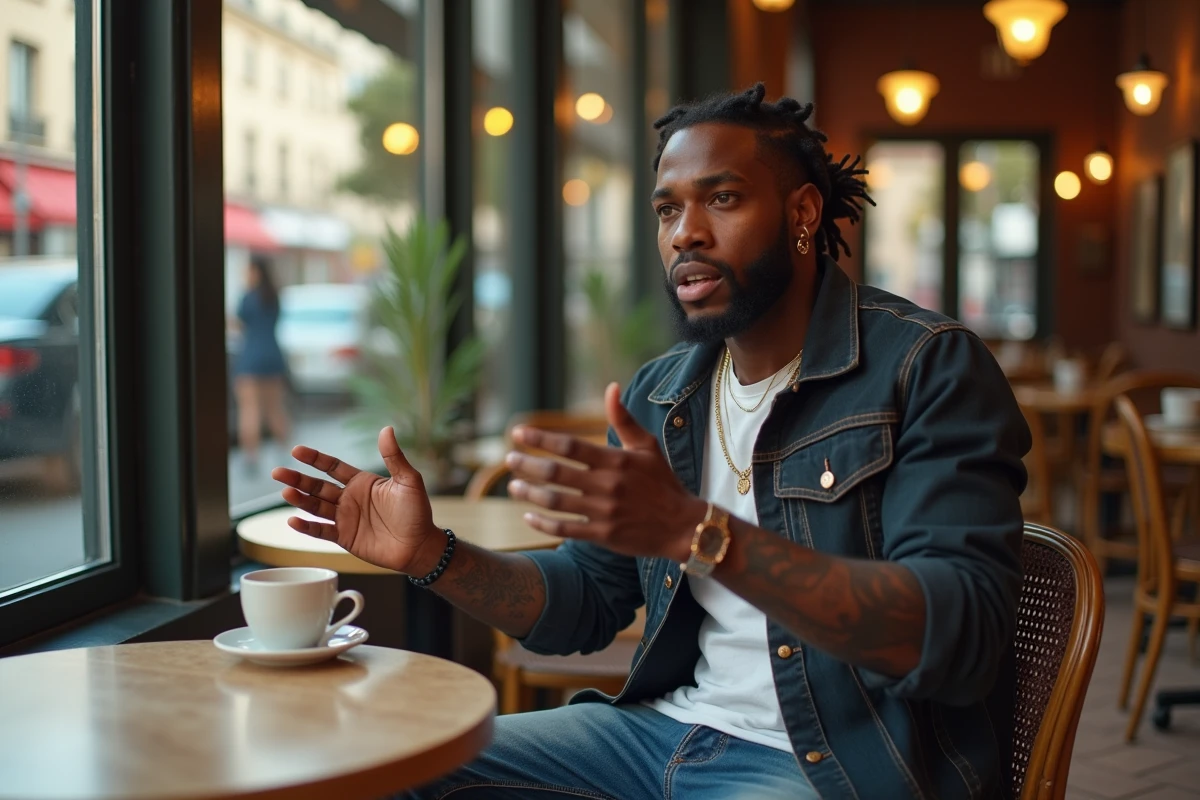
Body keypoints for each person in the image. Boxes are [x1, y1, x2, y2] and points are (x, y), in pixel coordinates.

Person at [272, 83, 1030, 799]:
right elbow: (585, 600)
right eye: (668, 210)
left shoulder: (925, 367)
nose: (685, 234)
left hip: (838, 765)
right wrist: (432, 554)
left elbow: (956, 635)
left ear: (803, 212)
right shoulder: (663, 395)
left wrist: (699, 535)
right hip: (654, 736)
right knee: (383, 771)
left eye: (722, 199)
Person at [233, 255, 290, 467]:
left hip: (251, 357)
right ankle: (286, 452)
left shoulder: (248, 297)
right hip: (273, 355)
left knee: (250, 409)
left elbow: (239, 324)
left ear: (255, 271)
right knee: (275, 408)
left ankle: (251, 458)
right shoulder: (273, 296)